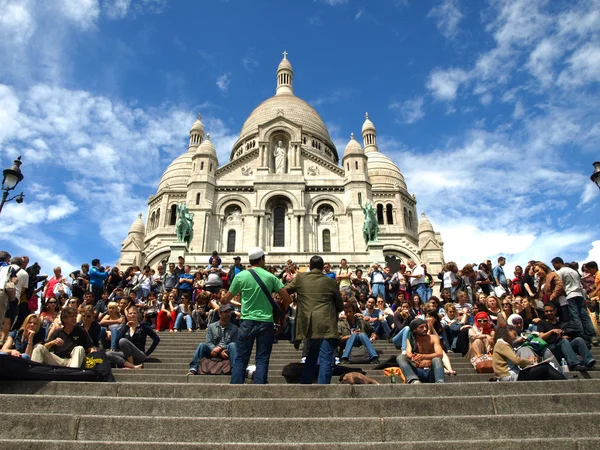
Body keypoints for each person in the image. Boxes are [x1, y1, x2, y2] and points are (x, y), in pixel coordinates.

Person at [223, 247, 291, 385]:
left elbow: (225, 299)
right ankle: (259, 388)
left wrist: (228, 301)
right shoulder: (270, 277)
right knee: (262, 358)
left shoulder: (241, 276)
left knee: (241, 357)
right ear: (261, 260)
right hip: (266, 322)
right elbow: (287, 299)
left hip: (247, 321)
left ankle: (235, 387)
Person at [284, 255, 344, 384]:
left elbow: (285, 290)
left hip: (308, 323)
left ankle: (305, 384)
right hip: (326, 323)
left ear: (309, 267)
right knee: (326, 359)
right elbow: (340, 305)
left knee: (312, 354)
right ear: (323, 268)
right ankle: (323, 389)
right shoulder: (331, 282)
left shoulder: (300, 278)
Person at [493, 325, 566, 381]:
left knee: (542, 374)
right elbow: (516, 360)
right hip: (509, 376)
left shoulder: (502, 344)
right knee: (545, 367)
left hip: (512, 374)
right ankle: (566, 383)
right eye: (514, 334)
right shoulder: (502, 344)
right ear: (507, 332)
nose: (515, 337)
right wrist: (530, 361)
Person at [552, 257, 597, 345]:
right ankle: (592, 336)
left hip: (570, 295)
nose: (555, 267)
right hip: (580, 295)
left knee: (575, 316)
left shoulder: (560, 272)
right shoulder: (574, 271)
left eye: (554, 265)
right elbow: (580, 285)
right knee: (584, 316)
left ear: (558, 263)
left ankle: (581, 335)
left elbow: (559, 284)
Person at [538, 303, 595, 371]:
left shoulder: (561, 324)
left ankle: (589, 360)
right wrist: (552, 331)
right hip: (552, 349)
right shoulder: (542, 323)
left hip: (565, 347)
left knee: (578, 340)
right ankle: (574, 364)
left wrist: (566, 336)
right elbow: (541, 337)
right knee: (563, 341)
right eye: (546, 311)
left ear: (555, 311)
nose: (549, 313)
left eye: (551, 311)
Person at [188, 304, 239, 375]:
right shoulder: (212, 326)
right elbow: (209, 342)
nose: (228, 314)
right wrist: (216, 350)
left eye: (229, 312)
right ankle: (193, 369)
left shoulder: (234, 328)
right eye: (225, 312)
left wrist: (221, 348)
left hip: (227, 352)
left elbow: (235, 343)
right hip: (213, 351)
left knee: (233, 345)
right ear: (219, 314)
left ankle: (235, 369)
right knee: (201, 345)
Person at [397, 318, 445, 384]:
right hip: (418, 371)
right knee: (400, 357)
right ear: (414, 330)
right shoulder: (410, 339)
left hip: (432, 371)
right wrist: (413, 357)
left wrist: (423, 356)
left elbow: (440, 354)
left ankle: (440, 382)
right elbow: (408, 353)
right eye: (421, 327)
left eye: (425, 326)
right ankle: (413, 380)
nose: (425, 329)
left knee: (437, 359)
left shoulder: (433, 338)